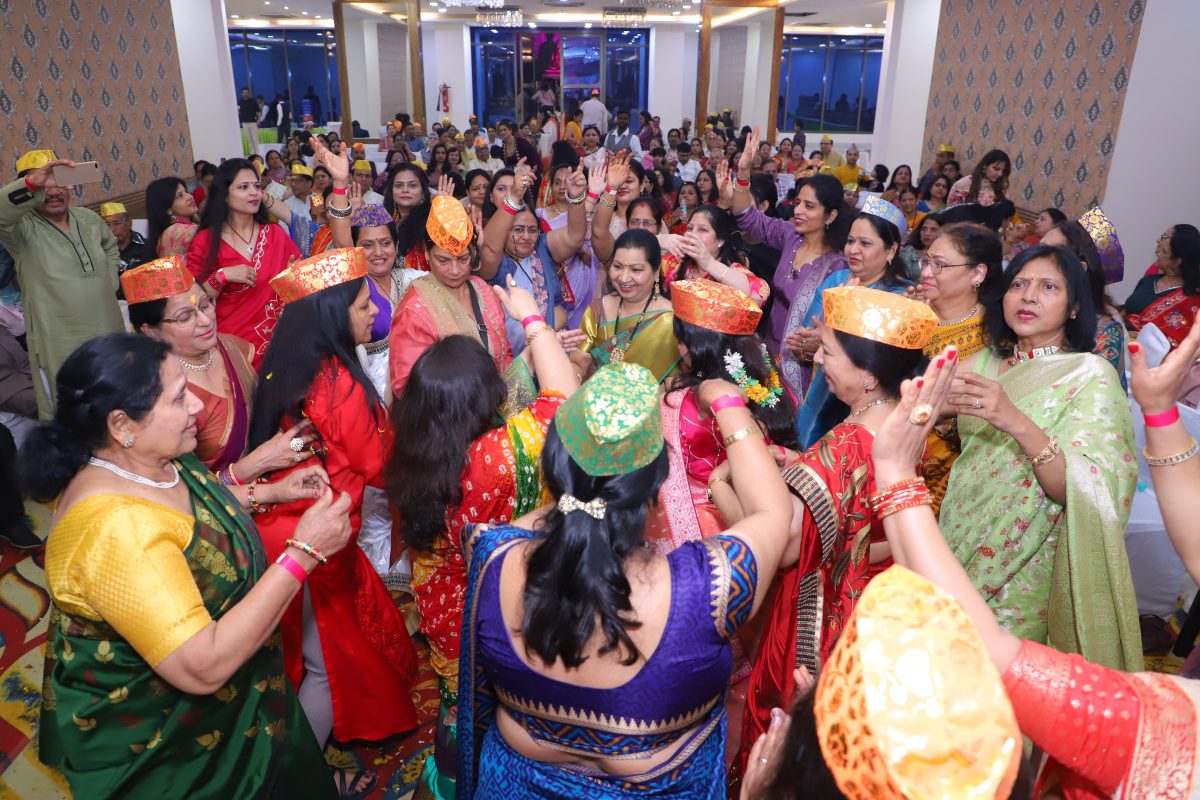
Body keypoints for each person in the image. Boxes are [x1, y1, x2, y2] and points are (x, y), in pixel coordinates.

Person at [854, 337, 1199, 799]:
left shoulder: (1158, 731)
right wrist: (1158, 412)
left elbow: (991, 651)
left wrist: (895, 473)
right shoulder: (1160, 721)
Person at [26, 332, 353, 799]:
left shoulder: (149, 457)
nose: (198, 407)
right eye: (180, 398)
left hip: (244, 700)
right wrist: (303, 553)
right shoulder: (115, 531)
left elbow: (191, 507)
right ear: (122, 424)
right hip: (176, 745)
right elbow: (203, 666)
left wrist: (270, 492)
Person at [456, 360, 791, 799]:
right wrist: (726, 401)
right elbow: (773, 512)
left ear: (554, 467)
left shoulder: (490, 553)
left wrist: (578, 495)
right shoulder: (708, 587)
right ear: (654, 489)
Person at [734, 285, 937, 774]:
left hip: (822, 612)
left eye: (828, 351)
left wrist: (743, 470)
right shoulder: (906, 424)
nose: (818, 359)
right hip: (880, 607)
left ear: (868, 373)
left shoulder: (844, 446)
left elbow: (784, 546)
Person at [390, 281, 578, 800]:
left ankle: (455, 777)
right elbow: (562, 397)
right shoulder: (501, 453)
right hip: (505, 602)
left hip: (449, 609)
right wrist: (532, 318)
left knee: (462, 708)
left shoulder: (416, 447)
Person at [249, 249, 421, 780]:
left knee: (319, 644)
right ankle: (292, 779)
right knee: (323, 665)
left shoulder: (285, 364)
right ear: (332, 316)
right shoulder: (338, 383)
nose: (375, 313)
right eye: (364, 305)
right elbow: (375, 466)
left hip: (279, 519)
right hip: (315, 536)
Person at [939, 244, 1141, 670]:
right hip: (955, 538)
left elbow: (1084, 489)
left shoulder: (1089, 375)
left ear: (1074, 307)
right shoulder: (983, 362)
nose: (1028, 296)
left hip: (1023, 566)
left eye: (1048, 287)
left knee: (996, 684)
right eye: (1018, 284)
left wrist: (1013, 419)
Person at [123, 257, 317, 485]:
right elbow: (174, 492)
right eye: (185, 316)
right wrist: (252, 467)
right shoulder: (154, 395)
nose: (205, 320)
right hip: (221, 505)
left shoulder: (231, 347)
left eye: (204, 304)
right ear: (150, 331)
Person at [650, 279, 798, 551]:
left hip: (703, 526)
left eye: (681, 342)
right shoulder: (770, 382)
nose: (680, 350)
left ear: (701, 347)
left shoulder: (688, 402)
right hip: (770, 510)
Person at [0, 150, 122, 419]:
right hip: (59, 342)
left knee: (119, 398)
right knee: (73, 413)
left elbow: (110, 245)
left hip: (108, 329)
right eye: (44, 185)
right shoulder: (20, 228)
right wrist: (32, 183)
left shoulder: (88, 218)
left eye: (60, 183)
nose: (54, 192)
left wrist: (109, 279)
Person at [793, 197, 917, 447]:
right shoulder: (836, 279)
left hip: (864, 404)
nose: (853, 250)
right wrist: (807, 346)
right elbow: (804, 338)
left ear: (891, 250)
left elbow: (880, 360)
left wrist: (828, 337)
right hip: (820, 390)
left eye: (865, 243)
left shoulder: (902, 296)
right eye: (850, 241)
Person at [730, 129, 850, 385]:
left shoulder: (837, 265)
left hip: (805, 366)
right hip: (769, 353)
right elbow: (745, 216)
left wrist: (821, 341)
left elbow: (839, 327)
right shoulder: (790, 235)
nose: (798, 211)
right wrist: (743, 171)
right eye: (798, 203)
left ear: (830, 216)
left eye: (809, 206)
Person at [912, 222, 1001, 511]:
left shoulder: (992, 339)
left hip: (945, 484)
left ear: (977, 274)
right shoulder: (910, 316)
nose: (926, 273)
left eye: (939, 265)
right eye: (926, 262)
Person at [390, 195, 513, 396]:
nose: (455, 270)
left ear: (473, 253)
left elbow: (505, 354)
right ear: (427, 254)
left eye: (463, 259)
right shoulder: (414, 310)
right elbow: (407, 386)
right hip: (450, 412)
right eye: (443, 260)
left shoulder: (483, 290)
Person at [185, 158, 302, 366]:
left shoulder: (275, 234)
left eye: (256, 186)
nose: (254, 192)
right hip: (233, 349)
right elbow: (191, 300)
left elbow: (300, 285)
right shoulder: (205, 241)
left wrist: (295, 277)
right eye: (243, 187)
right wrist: (222, 276)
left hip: (280, 344)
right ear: (224, 194)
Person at [478, 160, 581, 354]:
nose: (526, 236)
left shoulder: (542, 246)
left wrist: (576, 198)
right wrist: (514, 196)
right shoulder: (495, 258)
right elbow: (490, 247)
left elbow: (575, 237)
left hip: (551, 349)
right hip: (509, 359)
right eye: (518, 229)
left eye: (532, 230)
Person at [572, 229, 680, 383]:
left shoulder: (671, 321)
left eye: (636, 269)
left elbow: (672, 384)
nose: (623, 278)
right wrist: (574, 381)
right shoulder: (599, 309)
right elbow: (578, 362)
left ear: (656, 272)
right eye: (618, 266)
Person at [1041, 213, 1128, 386]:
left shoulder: (1103, 333)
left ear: (1079, 269)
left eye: (1047, 253)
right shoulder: (1020, 304)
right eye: (1038, 248)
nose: (1033, 258)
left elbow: (1101, 394)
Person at [664, 204, 770, 305]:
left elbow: (759, 292)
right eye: (690, 228)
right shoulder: (675, 262)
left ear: (721, 240)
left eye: (702, 230)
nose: (692, 235)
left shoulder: (733, 270)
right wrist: (659, 240)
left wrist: (709, 263)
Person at [534, 162, 598, 329]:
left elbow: (594, 258)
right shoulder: (538, 216)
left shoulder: (586, 214)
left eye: (567, 181)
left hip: (580, 280)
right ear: (551, 187)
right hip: (549, 281)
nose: (562, 186)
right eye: (557, 182)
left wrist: (578, 249)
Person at [1124, 224, 1200, 348]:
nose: (1158, 241)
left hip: (1150, 356)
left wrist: (1139, 337)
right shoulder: (1147, 281)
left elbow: (1181, 344)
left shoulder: (1191, 299)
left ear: (1176, 261)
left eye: (1164, 237)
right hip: (1123, 345)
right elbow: (1127, 311)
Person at [144, 176, 200, 258]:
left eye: (186, 191)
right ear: (168, 208)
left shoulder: (175, 227)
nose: (189, 196)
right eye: (179, 196)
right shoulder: (176, 231)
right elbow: (212, 232)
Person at [99, 201, 151, 282]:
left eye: (116, 223)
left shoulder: (147, 247)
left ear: (129, 223)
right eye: (107, 225)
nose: (111, 230)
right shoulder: (100, 250)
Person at [896, 212, 941, 280]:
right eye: (924, 229)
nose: (927, 233)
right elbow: (899, 278)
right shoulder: (909, 251)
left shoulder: (947, 255)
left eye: (933, 229)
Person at [237, 87, 259, 155]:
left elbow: (258, 111)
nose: (245, 94)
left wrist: (258, 121)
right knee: (249, 139)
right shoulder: (240, 102)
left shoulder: (253, 101)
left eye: (246, 92)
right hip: (245, 122)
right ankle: (252, 154)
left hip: (253, 122)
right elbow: (239, 111)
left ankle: (258, 154)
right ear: (241, 93)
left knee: (255, 139)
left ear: (249, 93)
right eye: (243, 93)